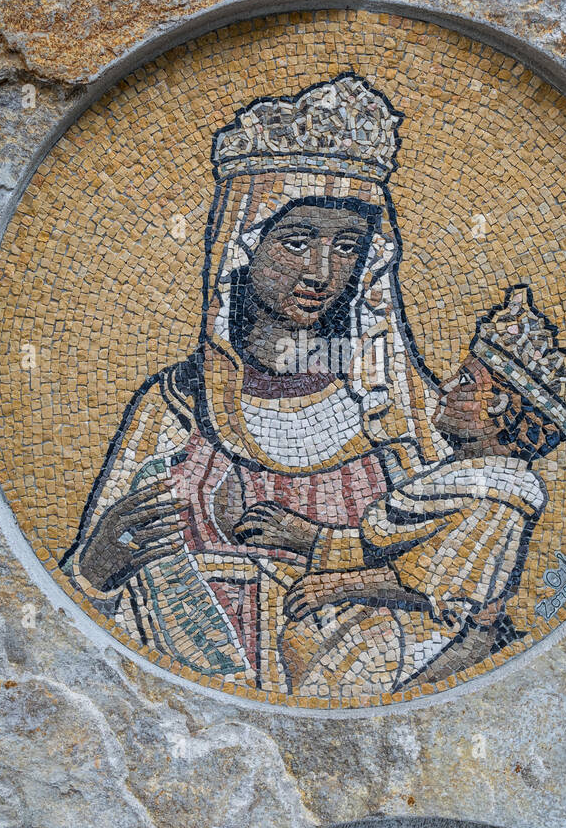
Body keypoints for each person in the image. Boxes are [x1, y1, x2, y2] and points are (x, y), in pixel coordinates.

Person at [61, 73, 448, 693]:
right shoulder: (177, 406)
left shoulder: (395, 412)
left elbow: (463, 585)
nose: (321, 272)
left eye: (347, 247)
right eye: (296, 241)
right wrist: (98, 567)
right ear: (243, 245)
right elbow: (88, 602)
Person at [235, 285, 566, 698]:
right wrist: (304, 536)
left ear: (497, 406)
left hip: (419, 641)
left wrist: (336, 586)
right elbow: (393, 548)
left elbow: (428, 581)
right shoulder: (461, 479)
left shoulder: (499, 498)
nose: (446, 386)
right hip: (383, 622)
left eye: (465, 381)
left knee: (325, 677)